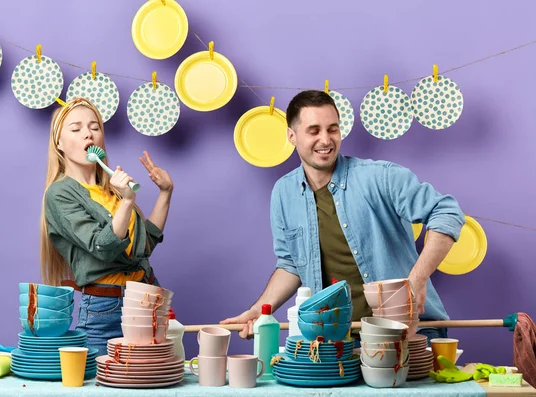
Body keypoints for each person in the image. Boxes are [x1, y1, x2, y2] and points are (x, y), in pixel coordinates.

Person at [221, 90, 465, 343]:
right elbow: (291, 265)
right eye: (314, 131)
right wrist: (261, 309)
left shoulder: (381, 177)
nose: (325, 140)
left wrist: (416, 281)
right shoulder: (284, 193)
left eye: (333, 129)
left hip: (408, 331)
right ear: (292, 136)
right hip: (337, 338)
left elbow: (447, 212)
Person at [40, 98, 173, 354]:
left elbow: (143, 247)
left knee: (150, 388)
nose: (88, 134)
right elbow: (102, 247)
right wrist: (127, 202)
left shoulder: (112, 189)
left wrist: (165, 193)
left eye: (94, 128)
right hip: (105, 309)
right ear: (59, 143)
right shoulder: (59, 194)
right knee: (101, 390)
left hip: (147, 302)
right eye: (76, 129)